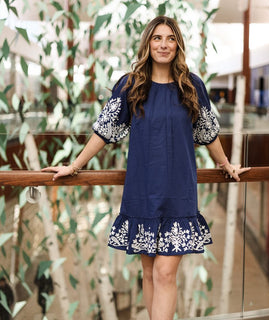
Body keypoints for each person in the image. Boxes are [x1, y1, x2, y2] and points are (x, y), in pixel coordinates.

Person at [42, 16, 250, 320]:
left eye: (170, 38)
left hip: (179, 191)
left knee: (166, 272)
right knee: (150, 270)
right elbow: (104, 131)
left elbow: (207, 132)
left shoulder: (192, 85)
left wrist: (225, 163)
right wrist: (75, 164)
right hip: (142, 189)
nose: (163, 45)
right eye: (157, 38)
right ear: (148, 44)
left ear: (178, 44)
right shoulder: (130, 85)